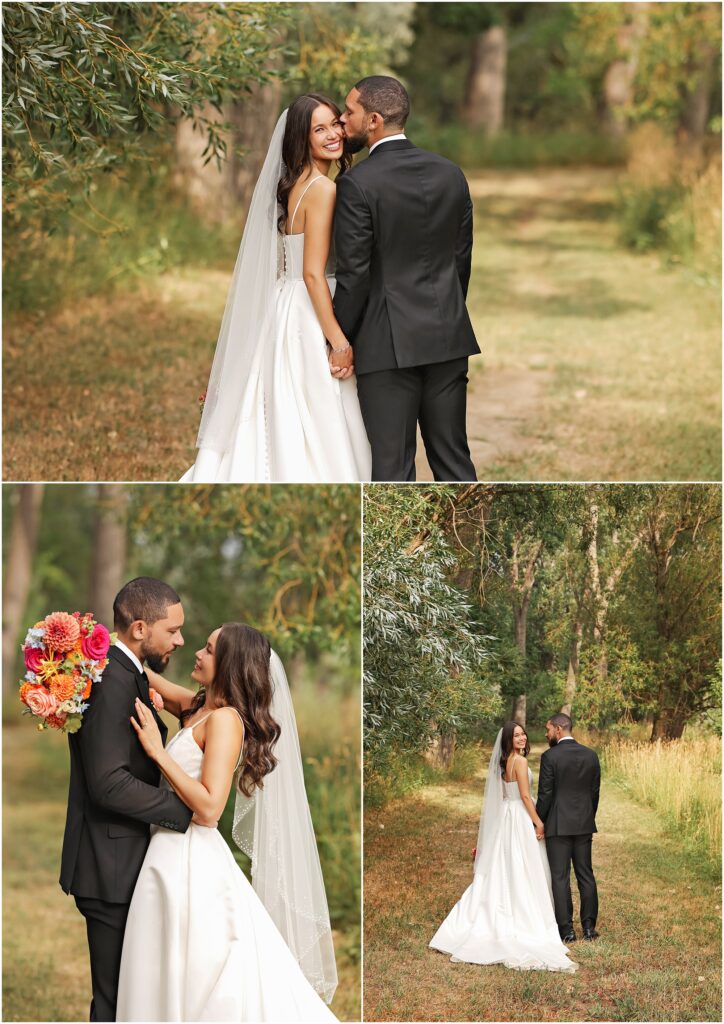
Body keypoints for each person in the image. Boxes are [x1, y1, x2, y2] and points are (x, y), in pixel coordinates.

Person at [115, 622, 338, 1021]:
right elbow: (141, 672)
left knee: (199, 970)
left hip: (190, 857)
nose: (198, 653)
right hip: (165, 850)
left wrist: (157, 751)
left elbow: (211, 808)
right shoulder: (200, 708)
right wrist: (91, 645)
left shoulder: (227, 721)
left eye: (210, 649)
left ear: (230, 664)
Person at [183, 93, 371, 483]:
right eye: (319, 129)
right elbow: (313, 274)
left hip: (285, 305)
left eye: (335, 123)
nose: (334, 134)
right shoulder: (323, 189)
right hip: (310, 306)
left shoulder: (294, 185)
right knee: (319, 407)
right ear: (301, 139)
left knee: (286, 401)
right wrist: (338, 342)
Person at [60, 577, 198, 1022]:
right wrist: (182, 812)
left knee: (134, 1000)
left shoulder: (129, 672)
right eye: (172, 630)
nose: (180, 639)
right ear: (140, 628)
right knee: (115, 1003)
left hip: (123, 861)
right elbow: (108, 783)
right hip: (108, 868)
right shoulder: (112, 683)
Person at [334, 76, 480, 482]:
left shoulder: (356, 184)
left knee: (393, 471)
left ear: (375, 120)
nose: (343, 120)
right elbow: (460, 261)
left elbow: (354, 276)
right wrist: (447, 313)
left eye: (350, 112)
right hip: (447, 337)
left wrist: (340, 338)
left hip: (386, 345)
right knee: (454, 462)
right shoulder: (452, 174)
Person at [429, 721, 577, 972]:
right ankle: (524, 916)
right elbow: (525, 797)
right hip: (518, 816)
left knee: (503, 865)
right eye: (516, 735)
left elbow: (503, 798)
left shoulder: (504, 762)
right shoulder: (519, 762)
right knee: (522, 866)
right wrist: (539, 822)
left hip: (506, 817)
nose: (521, 738)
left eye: (522, 734)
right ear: (508, 740)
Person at [536, 712, 601, 942]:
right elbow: (594, 793)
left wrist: (538, 821)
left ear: (558, 729)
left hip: (558, 825)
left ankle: (567, 931)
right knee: (586, 874)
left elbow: (545, 795)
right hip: (584, 824)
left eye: (548, 729)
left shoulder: (550, 757)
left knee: (560, 877)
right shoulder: (591, 755)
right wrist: (587, 816)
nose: (547, 733)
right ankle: (589, 928)